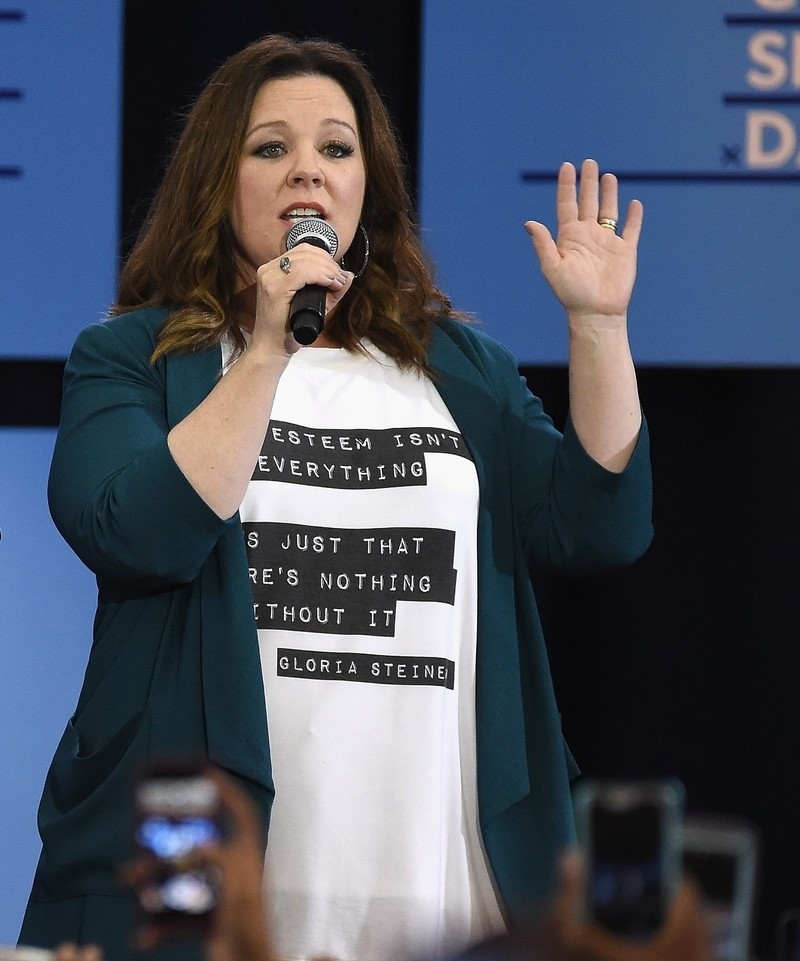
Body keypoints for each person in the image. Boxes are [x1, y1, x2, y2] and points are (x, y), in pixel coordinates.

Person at [19, 32, 652, 961]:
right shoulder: (133, 358)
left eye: (336, 149)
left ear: (368, 187)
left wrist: (600, 327)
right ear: (216, 181)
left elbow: (598, 525)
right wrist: (268, 345)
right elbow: (138, 535)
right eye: (270, 148)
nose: (307, 172)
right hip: (218, 890)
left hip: (436, 876)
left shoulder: (454, 369)